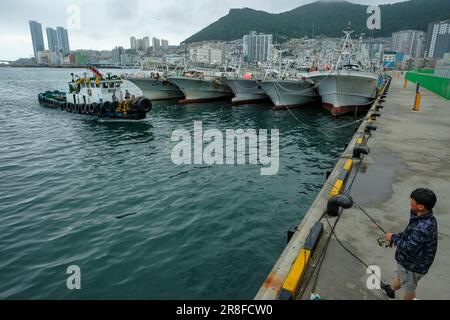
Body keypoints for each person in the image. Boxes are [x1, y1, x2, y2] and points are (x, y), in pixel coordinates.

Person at [382, 188, 438, 300]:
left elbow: (408, 247)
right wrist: (398, 236)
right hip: (409, 264)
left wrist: (392, 237)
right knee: (403, 278)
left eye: (412, 200)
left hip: (413, 265)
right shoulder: (423, 216)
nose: (410, 201)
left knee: (409, 290)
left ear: (421, 206)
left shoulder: (423, 227)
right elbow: (411, 234)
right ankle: (390, 290)